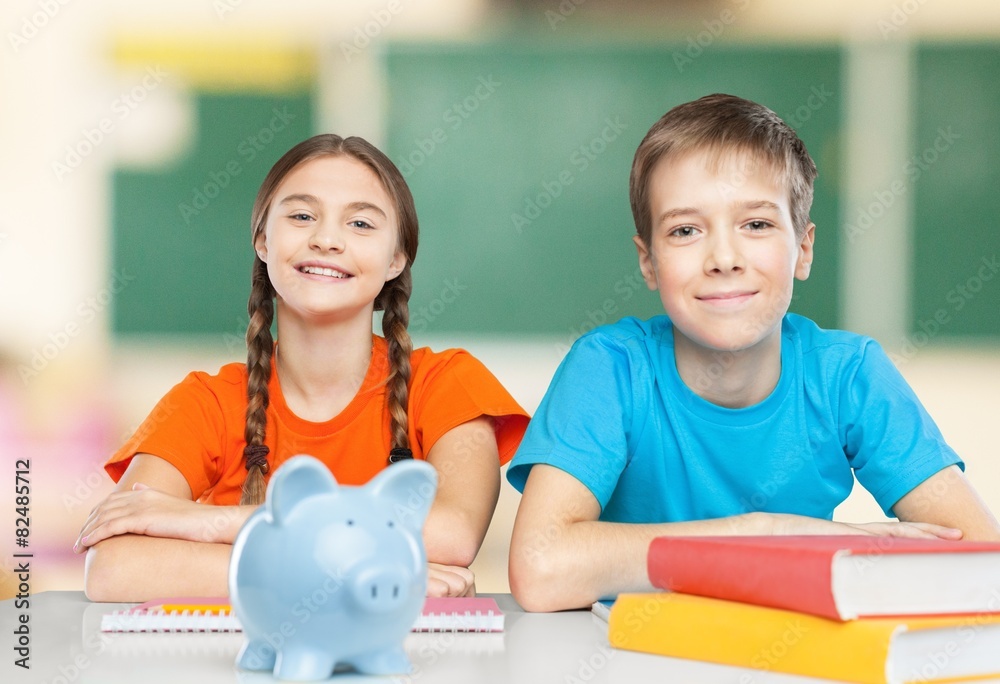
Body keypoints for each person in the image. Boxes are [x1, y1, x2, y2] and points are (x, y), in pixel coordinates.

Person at [505, 94, 1000, 612]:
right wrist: (767, 533)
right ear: (648, 262)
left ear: (802, 250)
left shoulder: (847, 374)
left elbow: (979, 560)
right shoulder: (609, 368)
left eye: (757, 225)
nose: (723, 258)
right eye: (685, 231)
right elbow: (540, 570)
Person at [76, 134, 529, 602]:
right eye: (301, 216)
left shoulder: (446, 383)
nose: (326, 239)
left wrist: (211, 525)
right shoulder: (205, 402)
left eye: (359, 223)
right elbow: (113, 565)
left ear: (396, 259)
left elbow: (453, 534)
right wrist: (339, 576)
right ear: (263, 241)